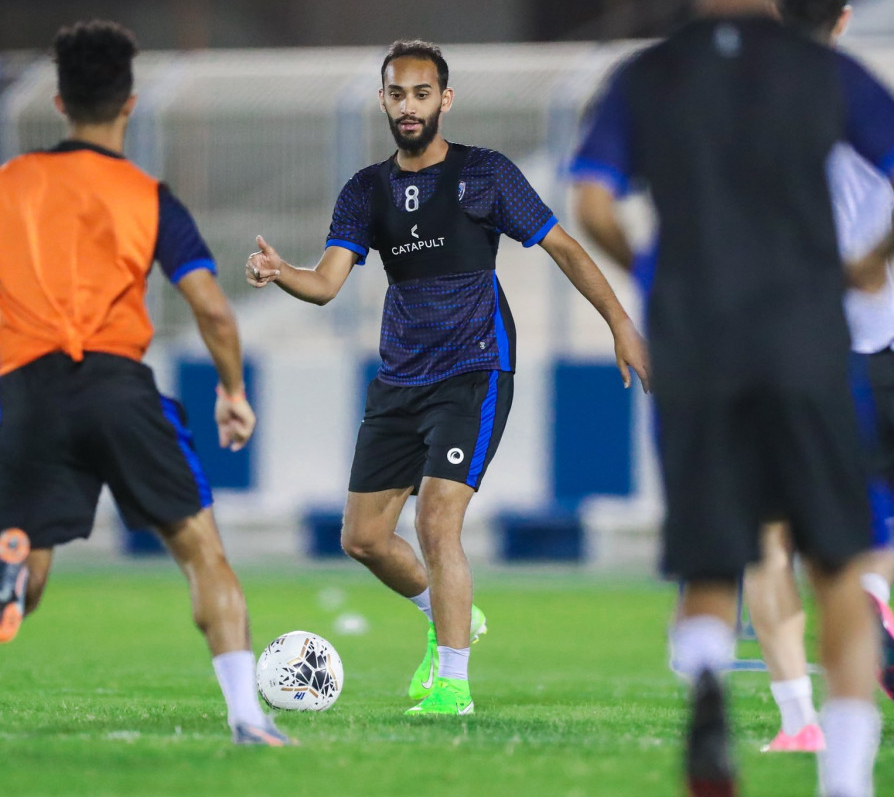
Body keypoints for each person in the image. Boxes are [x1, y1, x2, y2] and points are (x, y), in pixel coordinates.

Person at [569, 0, 894, 797]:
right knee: (840, 563)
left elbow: (593, 201)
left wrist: (648, 264)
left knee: (710, 561)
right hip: (808, 337)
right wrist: (868, 264)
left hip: (698, 342)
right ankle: (848, 796)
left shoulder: (649, 75)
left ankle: (706, 691)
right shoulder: (834, 75)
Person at [246, 39, 649, 717]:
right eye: (397, 94)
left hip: (474, 369)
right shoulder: (366, 190)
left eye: (422, 93)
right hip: (400, 378)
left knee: (438, 520)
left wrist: (620, 323)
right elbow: (324, 285)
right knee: (363, 538)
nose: (409, 106)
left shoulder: (485, 174)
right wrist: (279, 272)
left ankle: (454, 685)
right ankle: (448, 614)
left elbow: (565, 248)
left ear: (445, 100)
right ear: (383, 100)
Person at [0, 20, 290, 747]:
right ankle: (248, 716)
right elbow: (212, 306)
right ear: (129, 103)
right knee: (202, 552)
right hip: (118, 386)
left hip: (26, 391)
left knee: (32, 577)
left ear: (58, 102)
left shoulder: (4, 185)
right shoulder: (148, 197)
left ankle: (6, 565)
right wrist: (233, 390)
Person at [741, 0, 894, 753]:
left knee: (765, 538)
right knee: (866, 526)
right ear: (844, 17)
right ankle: (868, 590)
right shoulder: (877, 109)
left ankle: (801, 721)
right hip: (865, 351)